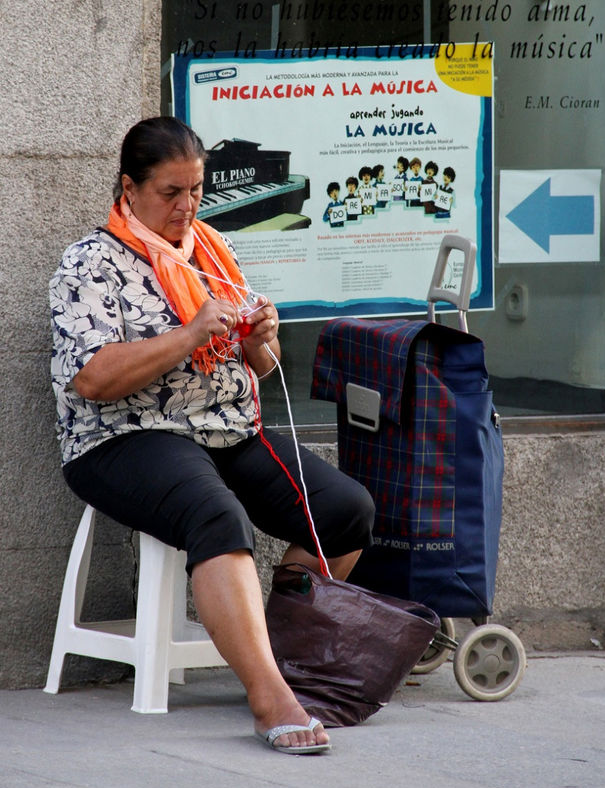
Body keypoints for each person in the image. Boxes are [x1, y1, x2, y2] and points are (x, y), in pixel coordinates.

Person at [49, 116, 375, 755]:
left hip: (231, 431)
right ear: (129, 188)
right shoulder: (90, 264)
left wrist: (262, 341)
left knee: (345, 511)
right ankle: (268, 696)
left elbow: (262, 366)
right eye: (171, 192)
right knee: (216, 515)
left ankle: (276, 647)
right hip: (126, 436)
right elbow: (91, 378)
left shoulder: (212, 253)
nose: (187, 206)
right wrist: (190, 335)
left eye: (196, 190)